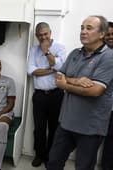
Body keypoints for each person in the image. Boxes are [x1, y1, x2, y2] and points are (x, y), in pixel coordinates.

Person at [47, 16, 113, 170]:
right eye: (82, 27)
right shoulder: (75, 53)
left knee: (83, 167)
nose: (83, 31)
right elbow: (58, 78)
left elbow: (95, 90)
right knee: (53, 164)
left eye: (89, 28)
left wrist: (66, 84)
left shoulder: (109, 57)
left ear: (102, 34)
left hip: (90, 128)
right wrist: (76, 81)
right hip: (66, 123)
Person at [27, 22, 66, 167]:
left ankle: (50, 157)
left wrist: (46, 52)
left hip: (56, 95)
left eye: (46, 34)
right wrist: (51, 70)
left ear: (50, 33)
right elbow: (30, 70)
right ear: (37, 36)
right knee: (39, 128)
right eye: (40, 35)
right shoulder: (33, 50)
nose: (44, 37)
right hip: (39, 96)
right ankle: (39, 155)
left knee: (55, 128)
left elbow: (61, 67)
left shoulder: (60, 48)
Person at [101, 21, 113, 170]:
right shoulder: (99, 54)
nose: (110, 37)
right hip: (100, 105)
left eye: (112, 34)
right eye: (107, 34)